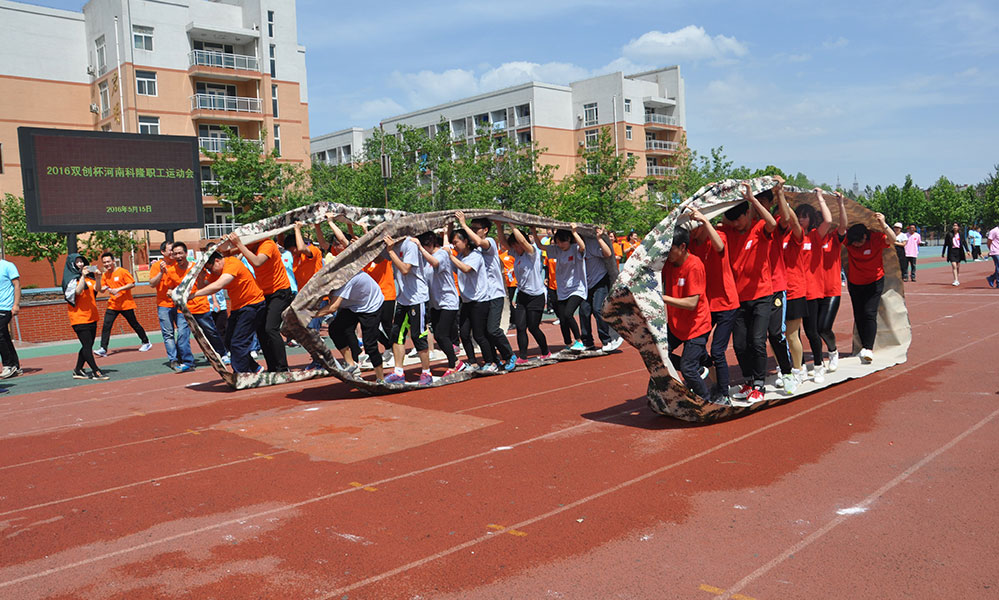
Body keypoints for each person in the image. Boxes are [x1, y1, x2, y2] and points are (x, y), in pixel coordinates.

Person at [716, 182, 777, 404]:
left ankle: (759, 385)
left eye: (738, 219)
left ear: (747, 214)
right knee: (740, 344)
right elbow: (718, 223)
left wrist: (751, 200)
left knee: (757, 341)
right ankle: (749, 381)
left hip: (761, 295)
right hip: (738, 298)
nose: (735, 224)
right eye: (731, 220)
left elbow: (771, 222)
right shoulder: (729, 231)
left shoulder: (759, 228)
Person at [688, 207, 739, 404]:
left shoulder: (719, 235)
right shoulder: (691, 243)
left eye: (694, 226)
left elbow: (719, 247)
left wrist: (706, 221)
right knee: (696, 346)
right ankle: (708, 377)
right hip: (706, 306)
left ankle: (724, 394)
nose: (691, 231)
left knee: (718, 350)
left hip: (726, 304)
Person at [456, 212, 517, 370]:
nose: (474, 230)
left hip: (494, 293)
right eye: (472, 228)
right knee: (481, 332)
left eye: (476, 228)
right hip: (482, 296)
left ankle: (509, 355)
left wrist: (463, 224)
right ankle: (493, 360)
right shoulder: (473, 249)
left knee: (492, 329)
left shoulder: (488, 242)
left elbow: (479, 241)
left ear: (485, 230)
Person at [660, 228, 712, 401]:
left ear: (682, 247)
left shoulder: (694, 266)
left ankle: (705, 400)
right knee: (658, 354)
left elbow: (691, 303)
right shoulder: (668, 264)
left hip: (696, 326)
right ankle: (700, 364)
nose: (667, 254)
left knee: (687, 368)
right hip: (676, 325)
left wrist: (663, 298)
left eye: (670, 249)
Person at [228, 232, 291, 371]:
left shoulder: (267, 244)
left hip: (279, 291)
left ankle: (283, 367)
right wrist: (226, 242)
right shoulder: (251, 246)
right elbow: (227, 252)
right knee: (261, 330)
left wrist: (239, 244)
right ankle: (272, 367)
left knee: (271, 328)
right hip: (264, 293)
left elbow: (257, 262)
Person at [193, 252, 265, 373]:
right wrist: (201, 275)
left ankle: (241, 373)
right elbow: (203, 286)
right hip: (238, 308)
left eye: (210, 268)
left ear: (217, 261)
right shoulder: (217, 271)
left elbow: (219, 285)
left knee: (238, 342)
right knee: (229, 340)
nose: (210, 272)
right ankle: (254, 368)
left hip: (253, 305)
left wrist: (192, 296)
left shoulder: (232, 264)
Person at [756, 177, 797, 393]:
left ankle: (787, 372)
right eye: (757, 201)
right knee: (755, 337)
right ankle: (754, 379)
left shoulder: (773, 226)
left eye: (764, 202)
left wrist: (779, 192)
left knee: (776, 334)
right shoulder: (748, 225)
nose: (761, 205)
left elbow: (786, 219)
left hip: (774, 287)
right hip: (753, 290)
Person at [316, 270, 386, 381]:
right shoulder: (329, 282)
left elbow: (332, 307)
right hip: (352, 305)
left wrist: (310, 315)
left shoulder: (344, 281)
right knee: (335, 329)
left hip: (370, 305)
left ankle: (380, 379)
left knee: (369, 344)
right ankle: (351, 365)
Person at [382, 232, 433, 385]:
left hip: (417, 298)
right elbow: (377, 257)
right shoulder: (392, 245)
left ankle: (426, 373)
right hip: (403, 299)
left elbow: (405, 269)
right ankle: (398, 372)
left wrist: (390, 251)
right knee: (396, 334)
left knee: (418, 335)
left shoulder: (409, 244)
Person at [796, 193, 836, 383]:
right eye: (798, 216)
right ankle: (801, 366)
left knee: (812, 331)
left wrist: (820, 197)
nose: (801, 219)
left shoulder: (814, 235)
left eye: (804, 216)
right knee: (793, 333)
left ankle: (819, 366)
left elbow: (828, 220)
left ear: (811, 218)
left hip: (811, 291)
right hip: (794, 291)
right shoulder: (791, 236)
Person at [497, 222, 550, 362]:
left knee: (533, 327)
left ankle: (545, 351)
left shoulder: (531, 253)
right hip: (522, 295)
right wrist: (498, 225)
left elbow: (522, 241)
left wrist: (513, 225)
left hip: (536, 296)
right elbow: (503, 242)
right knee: (521, 327)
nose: (515, 247)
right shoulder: (516, 254)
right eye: (513, 245)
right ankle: (523, 356)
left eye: (517, 244)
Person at [845, 213, 893, 363]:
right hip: (855, 282)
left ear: (865, 237)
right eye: (853, 244)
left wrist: (883, 223)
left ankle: (868, 348)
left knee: (869, 313)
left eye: (858, 243)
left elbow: (893, 239)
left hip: (874, 282)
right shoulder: (849, 241)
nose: (856, 246)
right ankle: (861, 346)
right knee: (858, 315)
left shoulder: (876, 238)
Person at [414, 232, 464, 376]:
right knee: (438, 335)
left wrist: (420, 247)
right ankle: (456, 362)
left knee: (442, 335)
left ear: (429, 244)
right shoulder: (426, 259)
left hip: (448, 302)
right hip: (436, 303)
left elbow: (435, 263)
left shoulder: (441, 254)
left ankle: (453, 365)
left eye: (423, 246)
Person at [171, 242, 227, 369]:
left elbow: (208, 283)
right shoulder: (170, 271)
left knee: (211, 332)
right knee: (182, 335)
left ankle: (222, 354)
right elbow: (170, 288)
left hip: (200, 306)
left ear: (186, 254)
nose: (178, 256)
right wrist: (170, 292)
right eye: (175, 254)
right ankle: (188, 362)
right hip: (184, 310)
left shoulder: (197, 267)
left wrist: (214, 300)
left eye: (180, 253)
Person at [535, 223, 588, 351]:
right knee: (562, 318)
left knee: (569, 314)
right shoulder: (557, 250)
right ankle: (568, 343)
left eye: (562, 242)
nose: (560, 245)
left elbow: (583, 246)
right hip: (562, 289)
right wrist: (533, 231)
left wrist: (574, 231)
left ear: (568, 239)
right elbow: (540, 246)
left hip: (577, 288)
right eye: (557, 242)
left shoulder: (575, 248)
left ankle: (579, 341)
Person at [812, 190, 848, 375]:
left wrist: (840, 204)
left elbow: (843, 225)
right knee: (813, 329)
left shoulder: (834, 237)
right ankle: (818, 361)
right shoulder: (811, 237)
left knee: (824, 327)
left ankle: (833, 352)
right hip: (814, 289)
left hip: (832, 290)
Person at [449, 226, 492, 370]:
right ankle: (472, 361)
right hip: (466, 300)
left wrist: (450, 256)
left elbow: (466, 269)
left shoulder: (475, 255)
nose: (454, 246)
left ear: (466, 241)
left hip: (480, 300)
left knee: (479, 335)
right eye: (453, 243)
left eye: (456, 242)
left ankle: (490, 361)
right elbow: (455, 268)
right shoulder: (460, 257)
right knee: (465, 333)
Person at [94, 252, 151, 357]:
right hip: (113, 304)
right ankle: (103, 348)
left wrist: (119, 289)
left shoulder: (122, 272)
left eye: (108, 261)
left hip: (126, 304)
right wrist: (97, 279)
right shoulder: (105, 275)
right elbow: (100, 290)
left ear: (113, 261)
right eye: (104, 262)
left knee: (134, 324)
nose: (107, 264)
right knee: (106, 325)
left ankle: (146, 342)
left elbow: (132, 284)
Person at [62, 253, 108, 380]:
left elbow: (98, 289)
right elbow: (77, 291)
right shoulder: (71, 279)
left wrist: (98, 277)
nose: (81, 264)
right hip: (79, 318)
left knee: (88, 345)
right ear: (72, 264)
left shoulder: (90, 279)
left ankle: (78, 370)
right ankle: (95, 371)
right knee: (87, 346)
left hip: (92, 316)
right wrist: (82, 276)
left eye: (81, 261)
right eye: (77, 262)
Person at [578, 226, 623, 352]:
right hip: (586, 284)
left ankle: (607, 340)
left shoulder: (592, 244)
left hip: (600, 281)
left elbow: (608, 254)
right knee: (584, 311)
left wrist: (599, 238)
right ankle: (587, 342)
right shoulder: (576, 246)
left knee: (598, 309)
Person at [148, 241, 182, 369]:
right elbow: (152, 283)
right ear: (163, 252)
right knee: (168, 333)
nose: (173, 252)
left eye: (174, 250)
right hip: (163, 305)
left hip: (179, 304)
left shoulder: (179, 264)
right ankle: (173, 359)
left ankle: (181, 354)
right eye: (170, 250)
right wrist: (161, 272)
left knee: (183, 331)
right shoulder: (157, 265)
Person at [0, 256, 22, 378]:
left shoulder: (8, 266)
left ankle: (8, 365)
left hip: (6, 307)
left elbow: (17, 285)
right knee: (4, 336)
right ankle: (15, 365)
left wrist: (16, 304)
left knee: (0, 334)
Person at [941, 222, 968, 286]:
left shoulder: (961, 234)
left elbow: (964, 242)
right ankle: (955, 280)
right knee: (954, 265)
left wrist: (967, 250)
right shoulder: (949, 234)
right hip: (952, 251)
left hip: (959, 251)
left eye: (956, 226)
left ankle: (957, 278)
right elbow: (945, 244)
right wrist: (943, 252)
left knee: (958, 266)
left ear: (958, 227)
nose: (955, 227)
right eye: (954, 226)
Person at [987, 223, 999, 288]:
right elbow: (989, 241)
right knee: (998, 266)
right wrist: (991, 250)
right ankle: (998, 282)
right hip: (995, 251)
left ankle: (991, 278)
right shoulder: (994, 231)